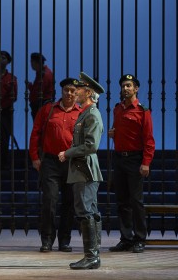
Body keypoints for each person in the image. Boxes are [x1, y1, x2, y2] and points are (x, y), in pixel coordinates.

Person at [58, 72, 105, 270]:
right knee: (88, 211)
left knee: (86, 212)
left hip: (85, 169)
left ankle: (92, 256)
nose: (75, 91)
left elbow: (91, 145)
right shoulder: (85, 113)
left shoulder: (92, 114)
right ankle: (93, 255)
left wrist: (67, 153)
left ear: (88, 92)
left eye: (79, 89)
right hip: (81, 169)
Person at [28, 78, 81, 253]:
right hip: (50, 161)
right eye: (67, 90)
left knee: (69, 202)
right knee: (49, 200)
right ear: (62, 91)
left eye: (73, 90)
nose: (70, 93)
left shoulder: (82, 113)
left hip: (71, 163)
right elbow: (36, 133)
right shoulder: (48, 109)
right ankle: (47, 240)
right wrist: (35, 157)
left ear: (77, 93)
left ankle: (64, 241)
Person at [108, 74, 155, 254]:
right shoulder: (118, 109)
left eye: (129, 85)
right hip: (119, 158)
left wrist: (146, 163)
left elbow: (149, 140)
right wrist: (113, 133)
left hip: (135, 159)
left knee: (136, 201)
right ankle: (126, 239)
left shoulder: (143, 111)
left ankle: (140, 238)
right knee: (122, 201)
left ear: (136, 89)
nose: (125, 88)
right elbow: (118, 130)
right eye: (123, 86)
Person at [27, 53, 54, 120]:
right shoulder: (41, 73)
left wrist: (30, 86)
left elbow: (38, 91)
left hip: (41, 105)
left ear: (37, 62)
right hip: (40, 105)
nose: (31, 65)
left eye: (32, 62)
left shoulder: (44, 74)